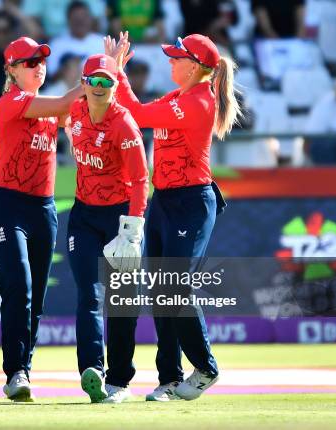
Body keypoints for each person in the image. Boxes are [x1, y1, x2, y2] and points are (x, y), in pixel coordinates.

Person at [105, 32, 241, 401]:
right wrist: (118, 76)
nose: (170, 61)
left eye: (176, 57)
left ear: (194, 66)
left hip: (191, 201)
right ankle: (170, 378)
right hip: (164, 200)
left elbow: (138, 114)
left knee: (175, 284)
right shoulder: (179, 97)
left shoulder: (198, 100)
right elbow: (136, 111)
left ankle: (206, 367)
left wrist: (117, 73)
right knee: (163, 290)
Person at [0, 36, 83, 402]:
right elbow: (68, 101)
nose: (38, 65)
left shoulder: (49, 107)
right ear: (11, 70)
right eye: (28, 61)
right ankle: (15, 372)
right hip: (7, 205)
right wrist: (103, 74)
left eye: (40, 59)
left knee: (35, 296)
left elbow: (75, 121)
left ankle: (24, 368)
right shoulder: (12, 101)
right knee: (19, 287)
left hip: (43, 207)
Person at [65, 54, 148, 403]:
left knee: (122, 302)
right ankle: (93, 371)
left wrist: (132, 231)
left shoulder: (124, 124)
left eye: (106, 82)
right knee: (89, 294)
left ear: (115, 87)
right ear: (83, 84)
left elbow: (142, 179)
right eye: (93, 81)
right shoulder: (74, 110)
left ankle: (120, 381)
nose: (99, 88)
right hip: (83, 215)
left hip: (120, 217)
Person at [47, 1, 105, 76]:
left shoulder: (102, 42)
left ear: (90, 19)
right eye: (76, 19)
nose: (80, 22)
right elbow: (51, 76)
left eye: (84, 18)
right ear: (68, 20)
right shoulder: (56, 44)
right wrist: (68, 67)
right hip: (65, 87)